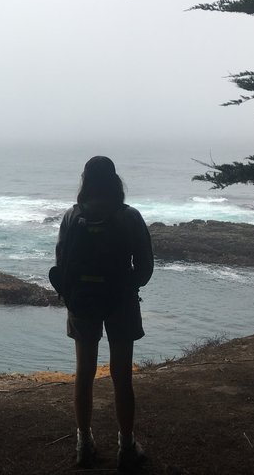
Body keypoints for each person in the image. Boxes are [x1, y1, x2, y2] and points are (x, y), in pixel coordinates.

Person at [55, 156, 153, 470]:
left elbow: (61, 264)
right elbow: (146, 268)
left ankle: (84, 444)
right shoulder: (130, 217)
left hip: (82, 302)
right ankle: (126, 446)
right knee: (122, 377)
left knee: (84, 375)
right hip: (121, 302)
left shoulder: (72, 217)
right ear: (115, 181)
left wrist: (72, 294)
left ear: (85, 180)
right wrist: (127, 287)